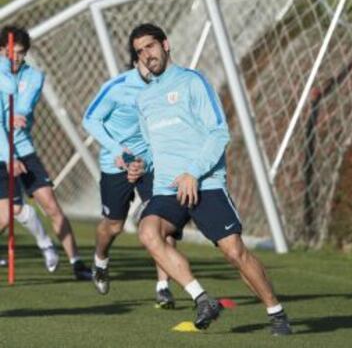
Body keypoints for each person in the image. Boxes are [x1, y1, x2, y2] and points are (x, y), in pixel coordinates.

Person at [129, 23, 292, 334]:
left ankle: (276, 312)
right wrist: (140, 164)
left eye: (150, 46)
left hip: (205, 183)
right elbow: (152, 147)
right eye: (140, 51)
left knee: (234, 252)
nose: (146, 54)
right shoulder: (144, 99)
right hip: (167, 187)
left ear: (165, 44)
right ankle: (203, 299)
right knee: (149, 233)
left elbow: (219, 133)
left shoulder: (192, 82)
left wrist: (194, 172)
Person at [82, 58, 178, 308]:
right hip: (116, 165)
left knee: (163, 222)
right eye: (145, 62)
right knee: (113, 226)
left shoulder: (167, 86)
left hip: (151, 164)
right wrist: (118, 150)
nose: (152, 67)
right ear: (135, 62)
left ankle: (163, 287)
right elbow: (90, 119)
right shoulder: (116, 87)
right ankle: (100, 260)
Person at [0, 25, 91, 280]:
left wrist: (18, 114)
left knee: (50, 204)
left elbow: (24, 105)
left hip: (24, 149)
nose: (15, 58)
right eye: (10, 52)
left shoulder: (34, 76)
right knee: (6, 217)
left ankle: (77, 263)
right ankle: (44, 243)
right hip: (1, 153)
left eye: (20, 52)